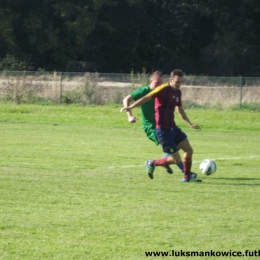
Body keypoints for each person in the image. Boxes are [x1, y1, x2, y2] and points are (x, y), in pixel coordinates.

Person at [121, 69, 202, 183]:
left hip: (173, 127)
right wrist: (130, 109)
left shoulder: (178, 92)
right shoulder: (162, 90)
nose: (179, 84)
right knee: (176, 158)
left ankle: (186, 176)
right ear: (171, 80)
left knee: (188, 149)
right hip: (162, 130)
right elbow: (146, 97)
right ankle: (153, 163)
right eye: (177, 82)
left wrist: (189, 123)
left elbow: (179, 108)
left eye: (180, 82)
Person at [122, 71, 184, 174]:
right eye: (157, 82)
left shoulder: (163, 91)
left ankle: (163, 162)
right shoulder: (144, 91)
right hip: (151, 127)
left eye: (161, 82)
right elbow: (126, 99)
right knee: (172, 147)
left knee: (176, 146)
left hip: (164, 126)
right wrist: (129, 116)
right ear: (151, 81)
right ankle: (186, 173)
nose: (159, 85)